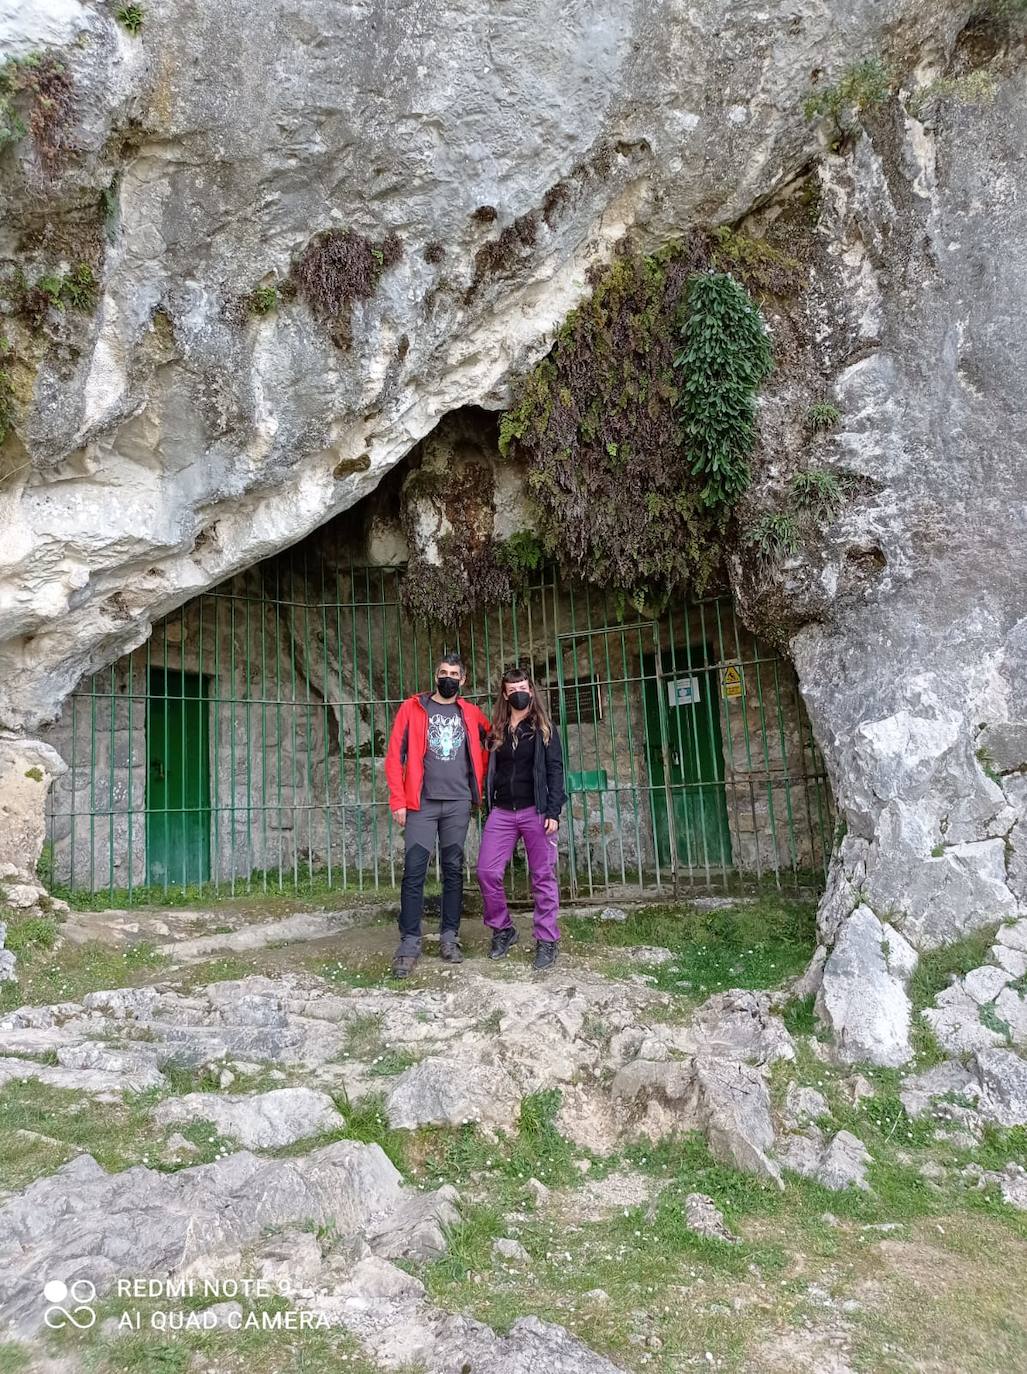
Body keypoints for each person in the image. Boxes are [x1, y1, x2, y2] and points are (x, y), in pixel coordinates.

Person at [384, 653, 490, 978]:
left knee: (454, 871)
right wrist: (398, 800)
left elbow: (493, 740)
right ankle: (410, 941)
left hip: (458, 803)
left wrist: (481, 783)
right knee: (414, 870)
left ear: (463, 680)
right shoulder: (413, 707)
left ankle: (449, 937)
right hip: (421, 804)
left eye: (454, 673)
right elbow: (393, 754)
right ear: (435, 675)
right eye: (443, 672)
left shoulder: (471, 714)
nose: (448, 677)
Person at [476, 665, 566, 971]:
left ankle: (547, 940)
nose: (519, 694)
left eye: (523, 688)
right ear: (505, 694)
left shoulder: (544, 729)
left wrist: (554, 810)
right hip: (502, 812)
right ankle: (503, 929)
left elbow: (555, 771)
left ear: (531, 690)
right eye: (512, 690)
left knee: (543, 877)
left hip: (536, 811)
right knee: (487, 871)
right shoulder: (497, 732)